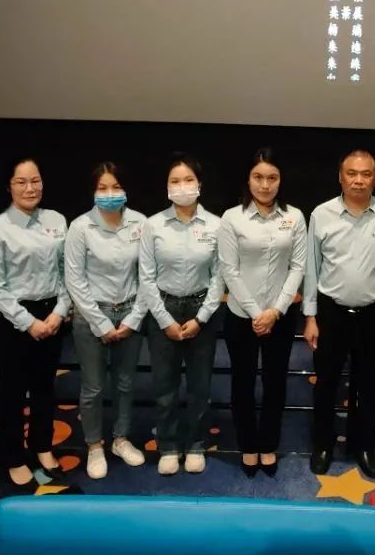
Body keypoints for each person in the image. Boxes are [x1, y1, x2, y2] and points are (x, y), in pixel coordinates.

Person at [304, 149, 375, 478]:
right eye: (352, 173)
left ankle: (364, 446)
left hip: (374, 315)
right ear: (340, 177)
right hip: (331, 313)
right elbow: (312, 269)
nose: (358, 180)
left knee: (369, 385)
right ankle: (323, 444)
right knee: (326, 383)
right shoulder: (321, 214)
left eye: (366, 174)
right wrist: (310, 317)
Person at [0, 158, 69, 491]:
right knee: (13, 392)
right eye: (21, 182)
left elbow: (67, 271)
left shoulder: (57, 220)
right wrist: (28, 323)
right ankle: (13, 457)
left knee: (45, 387)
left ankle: (42, 446)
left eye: (36, 180)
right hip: (15, 320)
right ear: (9, 186)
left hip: (53, 315)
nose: (30, 188)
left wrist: (60, 312)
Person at [218, 148, 307, 477]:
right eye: (258, 177)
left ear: (281, 180)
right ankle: (247, 445)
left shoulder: (294, 217)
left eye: (272, 178)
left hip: (280, 317)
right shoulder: (232, 218)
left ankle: (268, 444)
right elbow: (229, 270)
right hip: (242, 316)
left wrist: (276, 311)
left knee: (275, 382)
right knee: (242, 383)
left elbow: (298, 267)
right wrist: (258, 313)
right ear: (248, 179)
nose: (265, 185)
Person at [139, 154, 224, 475]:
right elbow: (146, 277)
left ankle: (197, 443)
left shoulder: (216, 225)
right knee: (165, 386)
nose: (182, 186)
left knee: (200, 386)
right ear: (166, 187)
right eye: (175, 181)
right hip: (163, 310)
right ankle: (169, 445)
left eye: (188, 180)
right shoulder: (153, 225)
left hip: (202, 311)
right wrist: (165, 320)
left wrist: (201, 318)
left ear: (199, 184)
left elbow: (220, 276)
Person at [64, 162, 148, 480]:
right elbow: (74, 279)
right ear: (93, 192)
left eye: (115, 187)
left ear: (125, 190)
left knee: (125, 383)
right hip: (91, 315)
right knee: (93, 387)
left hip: (130, 313)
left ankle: (121, 439)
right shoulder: (80, 227)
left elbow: (147, 275)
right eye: (102, 188)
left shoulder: (140, 223)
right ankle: (94, 445)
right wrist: (100, 323)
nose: (109, 194)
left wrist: (134, 318)